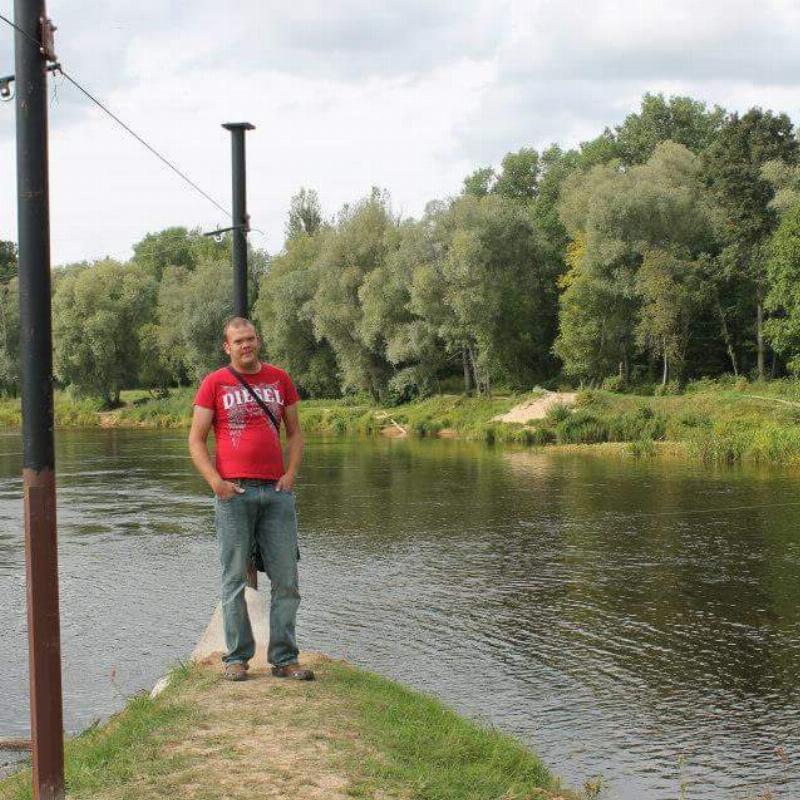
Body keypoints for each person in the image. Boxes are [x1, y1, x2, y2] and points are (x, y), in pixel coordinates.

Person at [188, 316, 314, 681]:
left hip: (276, 492)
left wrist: (291, 475)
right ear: (227, 347)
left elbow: (295, 433)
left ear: (257, 341)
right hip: (234, 492)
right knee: (233, 579)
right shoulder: (214, 383)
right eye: (239, 341)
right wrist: (216, 482)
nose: (246, 345)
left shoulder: (280, 379)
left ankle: (284, 659)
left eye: (251, 338)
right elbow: (196, 439)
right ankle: (237, 658)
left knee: (286, 579)